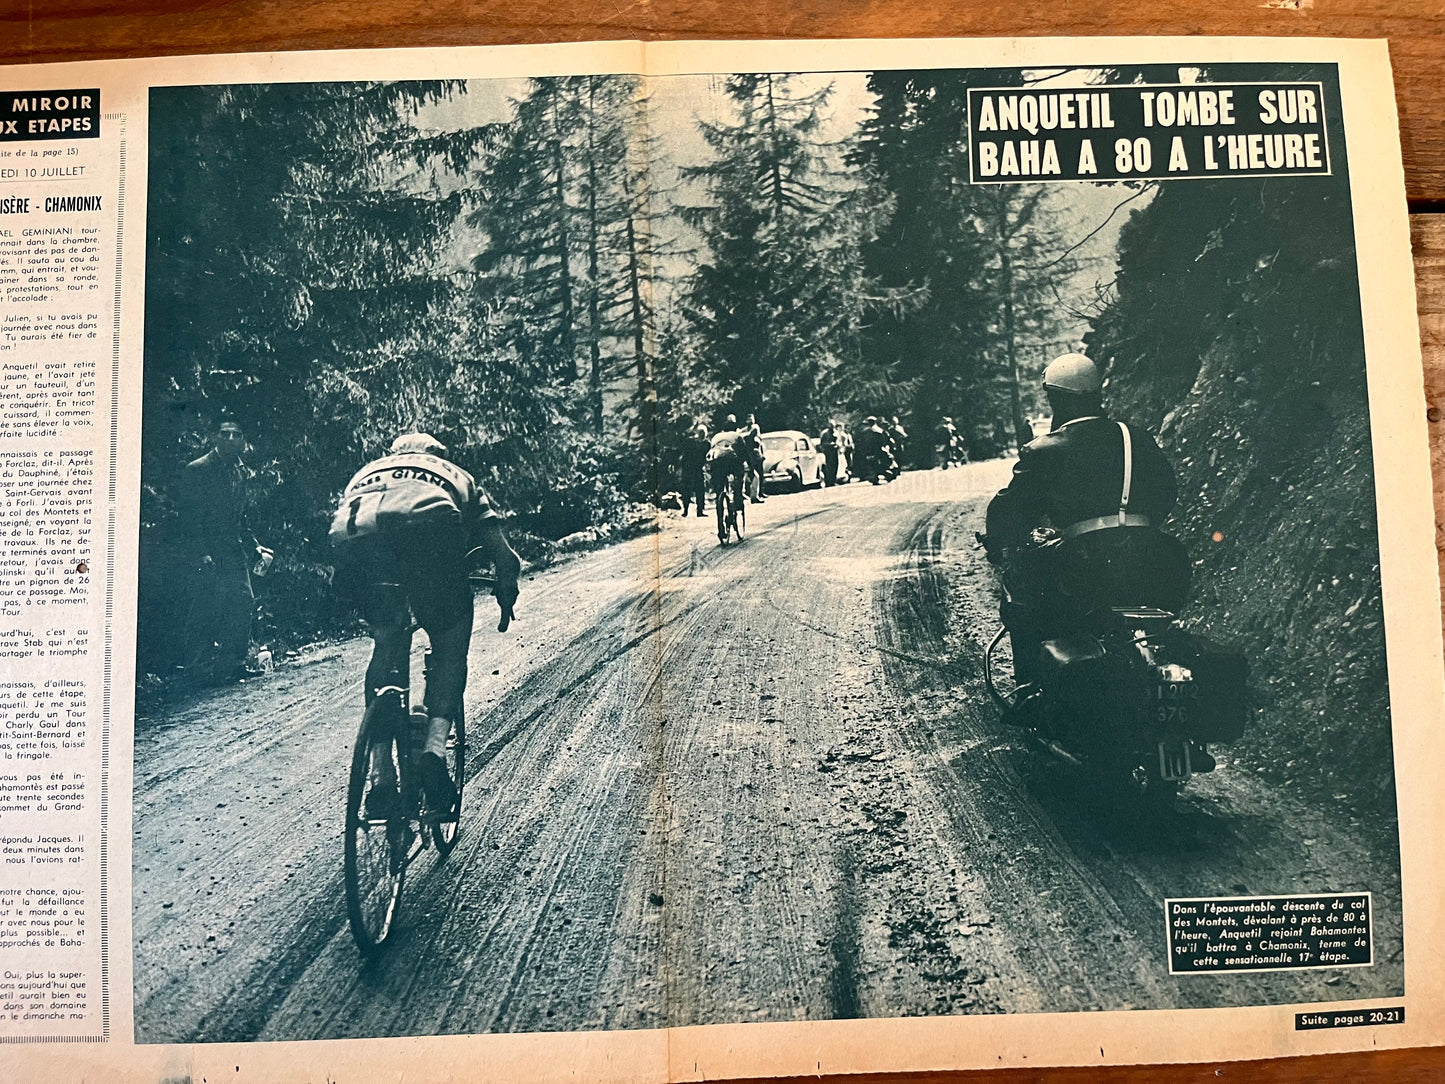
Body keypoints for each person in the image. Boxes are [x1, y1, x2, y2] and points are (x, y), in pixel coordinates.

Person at [330, 432, 521, 817]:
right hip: (428, 536)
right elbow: (504, 556)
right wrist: (504, 594)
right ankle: (434, 751)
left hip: (357, 547)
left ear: (393, 455)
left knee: (387, 641)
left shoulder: (367, 471)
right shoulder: (454, 474)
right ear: (439, 454)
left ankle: (381, 775)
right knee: (450, 640)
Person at [983, 353, 1188, 684]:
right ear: (1096, 394)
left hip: (1081, 564)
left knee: (1019, 594)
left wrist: (1000, 542)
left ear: (1055, 398)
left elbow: (1013, 508)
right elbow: (1167, 493)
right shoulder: (1135, 437)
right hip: (1154, 554)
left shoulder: (1046, 449)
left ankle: (1031, 693)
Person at [176, 419, 267, 684]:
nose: (229, 439)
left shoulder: (240, 472)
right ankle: (196, 669)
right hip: (207, 549)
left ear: (243, 440)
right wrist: (201, 552)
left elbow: (240, 517)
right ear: (215, 437)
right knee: (204, 605)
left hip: (232, 549)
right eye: (224, 434)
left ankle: (234, 663)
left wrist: (254, 547)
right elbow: (189, 518)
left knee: (243, 600)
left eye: (235, 434)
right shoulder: (199, 470)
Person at [706, 422, 748, 542]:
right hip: (731, 461)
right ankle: (737, 500)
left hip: (716, 463)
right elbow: (744, 455)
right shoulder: (737, 436)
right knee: (738, 481)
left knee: (719, 491)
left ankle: (721, 528)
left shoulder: (716, 436)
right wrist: (749, 467)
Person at [679, 423, 710, 518]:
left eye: (703, 432)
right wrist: (681, 467)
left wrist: (707, 467)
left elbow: (708, 457)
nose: (702, 434)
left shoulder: (707, 444)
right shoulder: (689, 442)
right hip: (688, 468)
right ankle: (685, 509)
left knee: (700, 490)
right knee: (687, 490)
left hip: (699, 469)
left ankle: (700, 510)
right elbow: (683, 455)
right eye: (700, 432)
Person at [742, 413, 766, 504]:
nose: (750, 421)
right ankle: (753, 495)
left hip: (756, 455)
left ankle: (759, 493)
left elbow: (753, 436)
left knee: (758, 474)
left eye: (751, 419)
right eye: (748, 419)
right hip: (750, 455)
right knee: (753, 475)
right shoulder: (745, 430)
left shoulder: (755, 427)